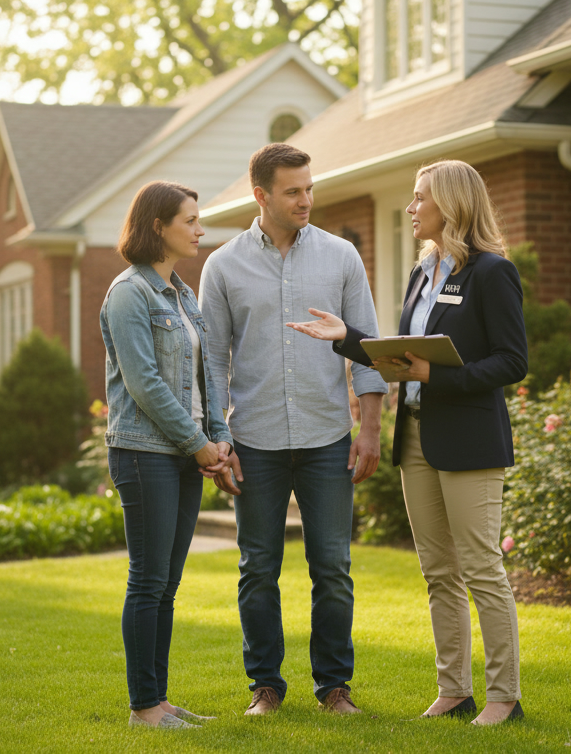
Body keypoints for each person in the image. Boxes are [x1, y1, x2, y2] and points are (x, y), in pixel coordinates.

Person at [287, 160, 529, 725]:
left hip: (469, 441)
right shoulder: (423, 273)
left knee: (481, 568)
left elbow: (512, 362)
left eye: (420, 198)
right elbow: (404, 356)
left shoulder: (492, 273)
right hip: (416, 438)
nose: (411, 207)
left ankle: (503, 697)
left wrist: (434, 376)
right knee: (438, 572)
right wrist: (348, 339)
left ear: (450, 204)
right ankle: (454, 691)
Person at [198, 143, 386, 716]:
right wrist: (217, 440)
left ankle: (334, 687)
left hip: (328, 437)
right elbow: (211, 361)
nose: (306, 199)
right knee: (258, 568)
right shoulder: (224, 265)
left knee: (333, 567)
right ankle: (266, 687)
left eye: (310, 188)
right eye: (293, 191)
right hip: (254, 442)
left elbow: (369, 350)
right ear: (262, 195)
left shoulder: (341, 257)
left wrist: (371, 428)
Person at [100, 180, 234, 729]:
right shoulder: (129, 293)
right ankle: (143, 707)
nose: (200, 230)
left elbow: (206, 375)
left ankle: (158, 698)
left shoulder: (181, 293)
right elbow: (144, 384)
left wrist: (218, 437)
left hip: (184, 451)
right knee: (148, 579)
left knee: (167, 584)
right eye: (191, 220)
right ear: (159, 226)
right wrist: (198, 444)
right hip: (143, 450)